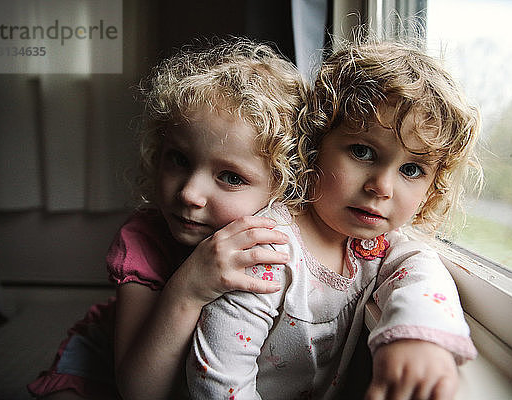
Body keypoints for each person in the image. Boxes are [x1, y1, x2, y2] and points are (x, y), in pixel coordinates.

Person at [186, 38, 482, 400]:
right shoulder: (267, 249)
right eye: (362, 151)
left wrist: (419, 336)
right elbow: (217, 380)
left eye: (411, 169)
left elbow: (421, 267)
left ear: (432, 187)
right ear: (315, 143)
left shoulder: (376, 246)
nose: (381, 187)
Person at [27, 37, 308, 400]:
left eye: (231, 177)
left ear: (282, 189)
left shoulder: (290, 241)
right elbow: (139, 390)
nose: (190, 193)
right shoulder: (144, 239)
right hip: (113, 361)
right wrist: (188, 288)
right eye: (179, 159)